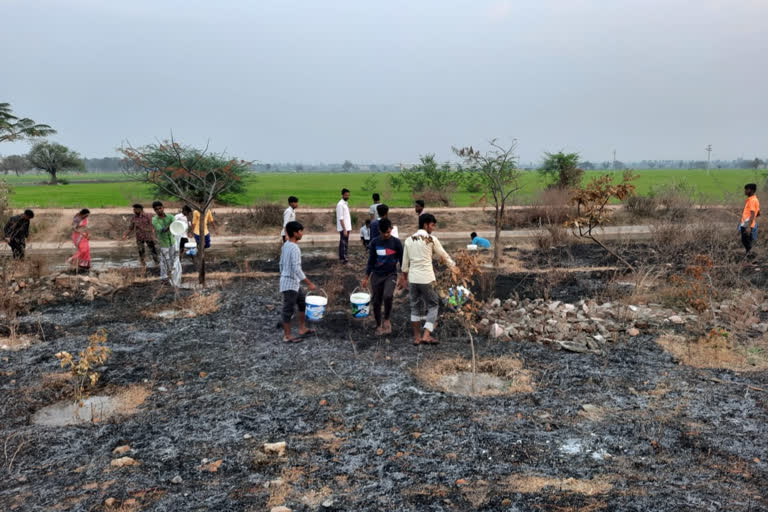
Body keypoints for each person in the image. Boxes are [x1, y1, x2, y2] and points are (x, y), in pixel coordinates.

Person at [400, 213, 457, 346]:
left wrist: (404, 279)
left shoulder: (409, 240)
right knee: (433, 305)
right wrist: (454, 267)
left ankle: (417, 338)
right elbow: (444, 255)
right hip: (427, 279)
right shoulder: (431, 240)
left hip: (413, 279)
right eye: (432, 225)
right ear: (425, 225)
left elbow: (404, 265)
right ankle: (426, 335)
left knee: (415, 307)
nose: (433, 228)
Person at [362, 218, 403, 335]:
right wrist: (366, 277)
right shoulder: (375, 243)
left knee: (388, 295)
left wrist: (403, 276)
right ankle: (378, 324)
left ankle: (387, 319)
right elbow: (371, 261)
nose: (386, 235)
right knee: (376, 301)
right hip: (377, 275)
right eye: (383, 233)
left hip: (391, 274)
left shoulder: (396, 243)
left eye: (388, 232)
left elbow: (402, 260)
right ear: (379, 231)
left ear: (391, 229)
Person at [280, 221, 317, 343]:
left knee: (302, 303)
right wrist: (309, 283)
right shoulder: (294, 248)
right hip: (290, 283)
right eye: (300, 231)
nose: (302, 233)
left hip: (292, 282)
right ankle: (287, 336)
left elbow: (281, 263)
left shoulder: (286, 244)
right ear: (295, 233)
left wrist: (283, 274)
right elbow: (296, 268)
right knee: (288, 309)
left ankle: (302, 329)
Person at [151, 201, 181, 287]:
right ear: (155, 210)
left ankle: (171, 277)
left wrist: (172, 224)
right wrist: (171, 225)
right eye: (156, 209)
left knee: (172, 259)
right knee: (164, 261)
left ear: (163, 208)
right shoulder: (154, 220)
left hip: (172, 241)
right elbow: (162, 230)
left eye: (160, 208)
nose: (159, 210)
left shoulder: (170, 216)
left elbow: (176, 225)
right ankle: (163, 279)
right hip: (163, 243)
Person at [740, 183, 760, 256]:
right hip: (748, 222)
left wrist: (748, 226)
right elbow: (758, 213)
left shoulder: (752, 200)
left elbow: (753, 213)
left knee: (745, 240)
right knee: (748, 240)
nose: (745, 191)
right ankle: (749, 256)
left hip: (747, 223)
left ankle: (751, 256)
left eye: (746, 189)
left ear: (751, 190)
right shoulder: (754, 199)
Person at [336, 188, 351, 263]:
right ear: (342, 195)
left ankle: (344, 256)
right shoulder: (340, 205)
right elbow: (341, 218)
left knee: (345, 242)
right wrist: (344, 229)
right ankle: (343, 258)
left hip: (347, 227)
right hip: (343, 227)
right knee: (343, 242)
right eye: (346, 195)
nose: (347, 196)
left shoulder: (345, 203)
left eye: (348, 195)